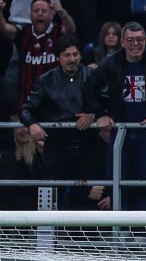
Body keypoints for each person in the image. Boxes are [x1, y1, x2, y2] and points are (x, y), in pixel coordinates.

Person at [81, 21, 146, 212]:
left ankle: (143, 228)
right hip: (120, 133)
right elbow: (89, 87)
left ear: (145, 40)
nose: (135, 44)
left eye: (140, 39)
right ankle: (118, 229)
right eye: (130, 40)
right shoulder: (111, 63)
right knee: (117, 182)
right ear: (122, 42)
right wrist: (101, 114)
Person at [19, 36, 101, 210]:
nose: (72, 59)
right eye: (67, 55)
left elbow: (108, 104)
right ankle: (47, 229)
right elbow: (25, 110)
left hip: (86, 147)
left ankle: (81, 229)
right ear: (58, 57)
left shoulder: (92, 75)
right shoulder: (46, 80)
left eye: (75, 54)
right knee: (50, 197)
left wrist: (93, 115)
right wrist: (32, 124)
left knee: (83, 200)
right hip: (57, 148)